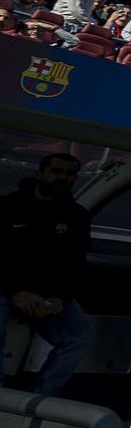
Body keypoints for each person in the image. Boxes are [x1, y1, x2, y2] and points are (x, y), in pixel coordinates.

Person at [0, 153, 92, 396]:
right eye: (56, 171)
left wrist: (61, 297)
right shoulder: (8, 206)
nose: (62, 178)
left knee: (78, 337)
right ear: (39, 173)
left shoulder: (77, 216)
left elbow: (76, 263)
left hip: (47, 293)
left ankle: (43, 397)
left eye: (69, 174)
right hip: (6, 286)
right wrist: (16, 291)